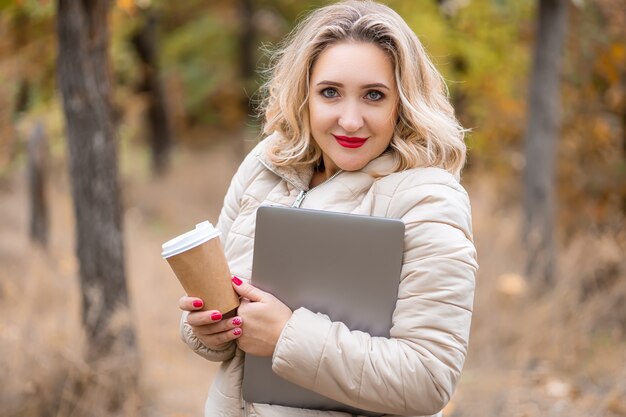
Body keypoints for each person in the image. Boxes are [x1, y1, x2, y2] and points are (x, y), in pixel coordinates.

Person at [178, 1, 478, 416]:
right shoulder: (268, 165)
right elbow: (226, 317)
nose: (350, 120)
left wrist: (286, 335)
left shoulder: (428, 200)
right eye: (330, 93)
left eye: (374, 95)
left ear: (403, 102)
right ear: (305, 94)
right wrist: (209, 329)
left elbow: (428, 379)